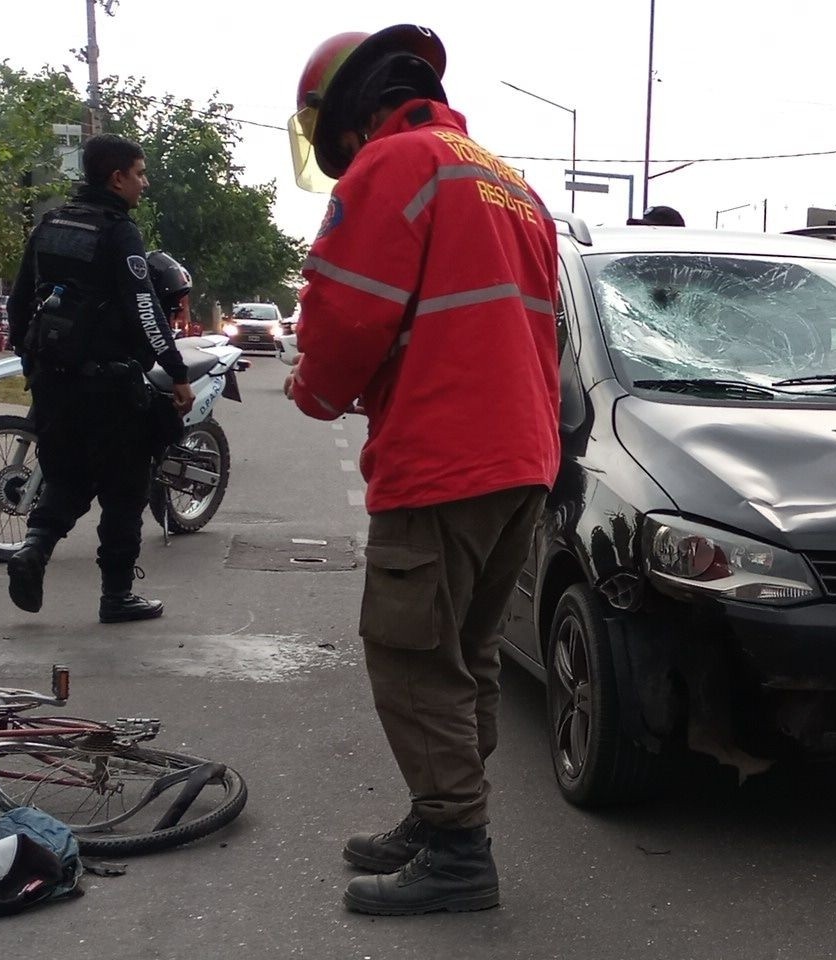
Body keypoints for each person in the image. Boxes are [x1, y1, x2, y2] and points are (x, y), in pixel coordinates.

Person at [284, 24, 560, 916]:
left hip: (443, 457)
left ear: (353, 121)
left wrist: (312, 390)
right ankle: (439, 813)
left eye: (336, 148)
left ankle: (456, 848)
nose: (341, 162)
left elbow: (345, 317)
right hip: (521, 460)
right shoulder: (509, 182)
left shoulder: (396, 166)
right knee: (467, 651)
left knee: (410, 658)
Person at [4, 134, 194, 625]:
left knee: (66, 477)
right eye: (140, 173)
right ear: (117, 178)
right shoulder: (118, 232)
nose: (145, 184)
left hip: (54, 383)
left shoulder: (50, 225)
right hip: (109, 387)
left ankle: (33, 550)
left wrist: (33, 365)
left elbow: (19, 301)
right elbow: (144, 307)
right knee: (124, 490)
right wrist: (175, 371)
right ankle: (117, 595)